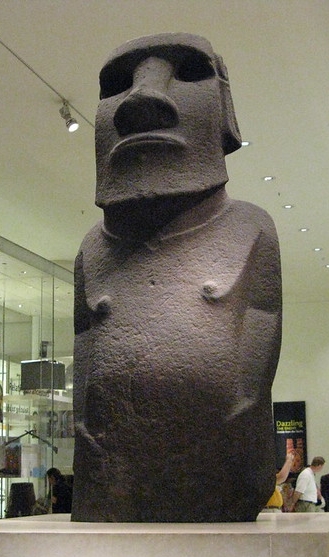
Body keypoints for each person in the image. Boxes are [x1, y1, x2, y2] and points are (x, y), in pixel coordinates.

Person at [72, 33, 282, 523]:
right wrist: (88, 430)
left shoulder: (250, 227)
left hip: (220, 471)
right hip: (110, 470)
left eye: (188, 72)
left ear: (225, 112)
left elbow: (259, 346)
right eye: (118, 83)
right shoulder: (91, 247)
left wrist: (236, 420)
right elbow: (85, 349)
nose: (143, 98)